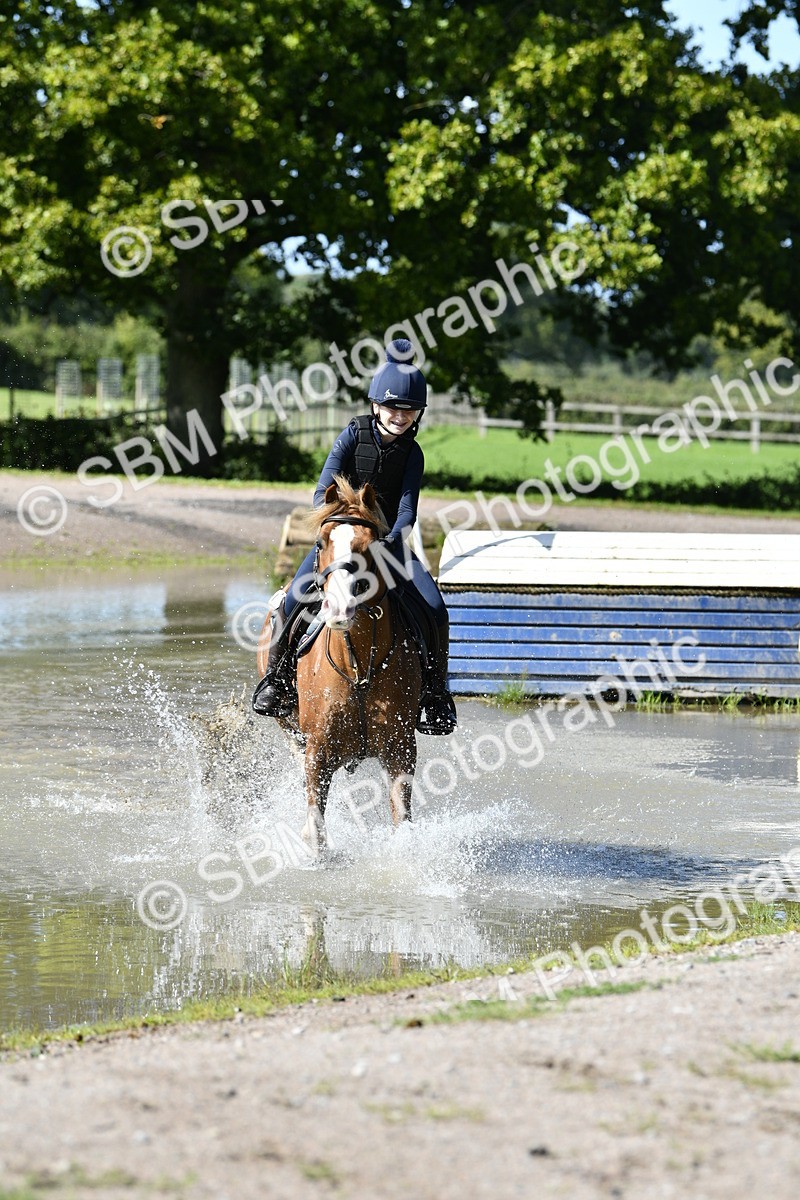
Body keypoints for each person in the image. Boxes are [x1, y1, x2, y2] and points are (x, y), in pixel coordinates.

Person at [252, 338, 457, 735]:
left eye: (409, 409)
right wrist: (340, 524)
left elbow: (407, 510)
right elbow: (320, 492)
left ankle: (434, 695)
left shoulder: (413, 454)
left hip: (387, 546)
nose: (400, 415)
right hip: (338, 539)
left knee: (434, 608)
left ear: (418, 414)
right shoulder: (353, 435)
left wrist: (389, 543)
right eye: (393, 407)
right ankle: (276, 681)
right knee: (293, 599)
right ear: (376, 405)